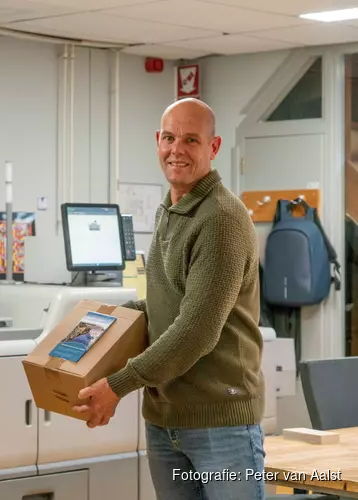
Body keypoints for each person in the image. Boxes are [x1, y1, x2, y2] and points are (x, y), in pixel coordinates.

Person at [74, 98, 265, 499]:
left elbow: (195, 330)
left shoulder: (221, 219)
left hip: (220, 426)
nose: (176, 149)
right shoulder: (169, 211)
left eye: (191, 140)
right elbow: (161, 306)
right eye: (169, 137)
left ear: (213, 148)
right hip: (165, 421)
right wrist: (94, 326)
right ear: (157, 141)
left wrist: (118, 385)